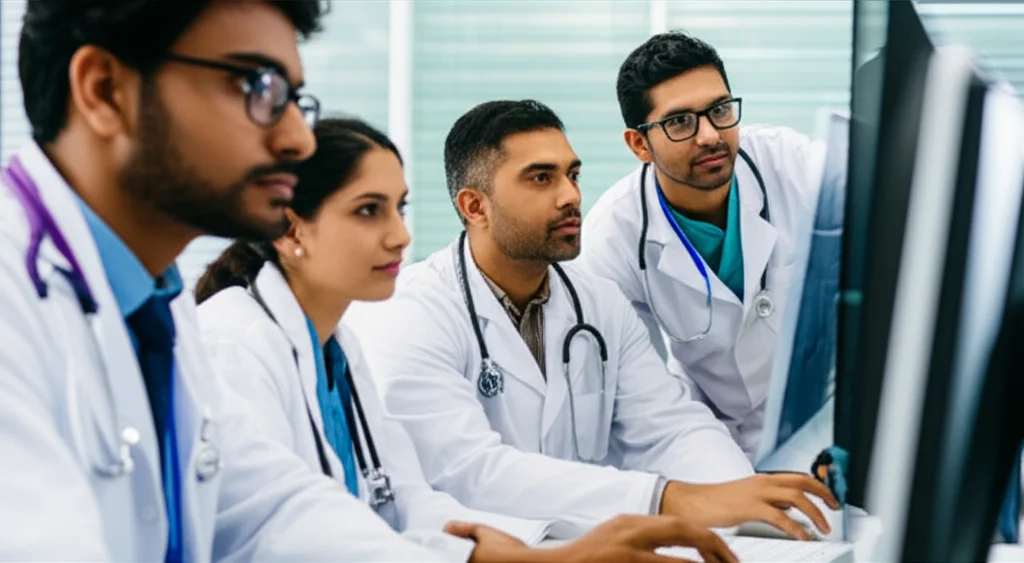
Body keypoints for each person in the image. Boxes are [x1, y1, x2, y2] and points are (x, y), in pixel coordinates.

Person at [0, 2, 727, 561]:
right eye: (257, 86)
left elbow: (277, 510)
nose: (295, 138)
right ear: (103, 90)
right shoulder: (22, 303)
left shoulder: (157, 315)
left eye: (294, 97)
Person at [192, 117, 735, 563]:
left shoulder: (338, 348)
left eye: (399, 208)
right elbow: (286, 532)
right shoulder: (235, 343)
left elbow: (407, 502)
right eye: (368, 211)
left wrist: (522, 554)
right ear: (292, 230)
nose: (401, 234)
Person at [345, 100, 838, 541]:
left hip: (585, 546)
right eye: (542, 178)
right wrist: (670, 499)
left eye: (572, 175)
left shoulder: (597, 302)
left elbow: (669, 427)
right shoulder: (411, 313)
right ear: (475, 206)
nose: (570, 196)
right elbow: (468, 472)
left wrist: (747, 498)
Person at [579, 31, 828, 457]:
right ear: (639, 144)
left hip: (830, 416)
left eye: (719, 110)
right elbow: (638, 394)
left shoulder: (794, 163)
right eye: (680, 122)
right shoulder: (614, 237)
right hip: (716, 435)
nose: (710, 135)